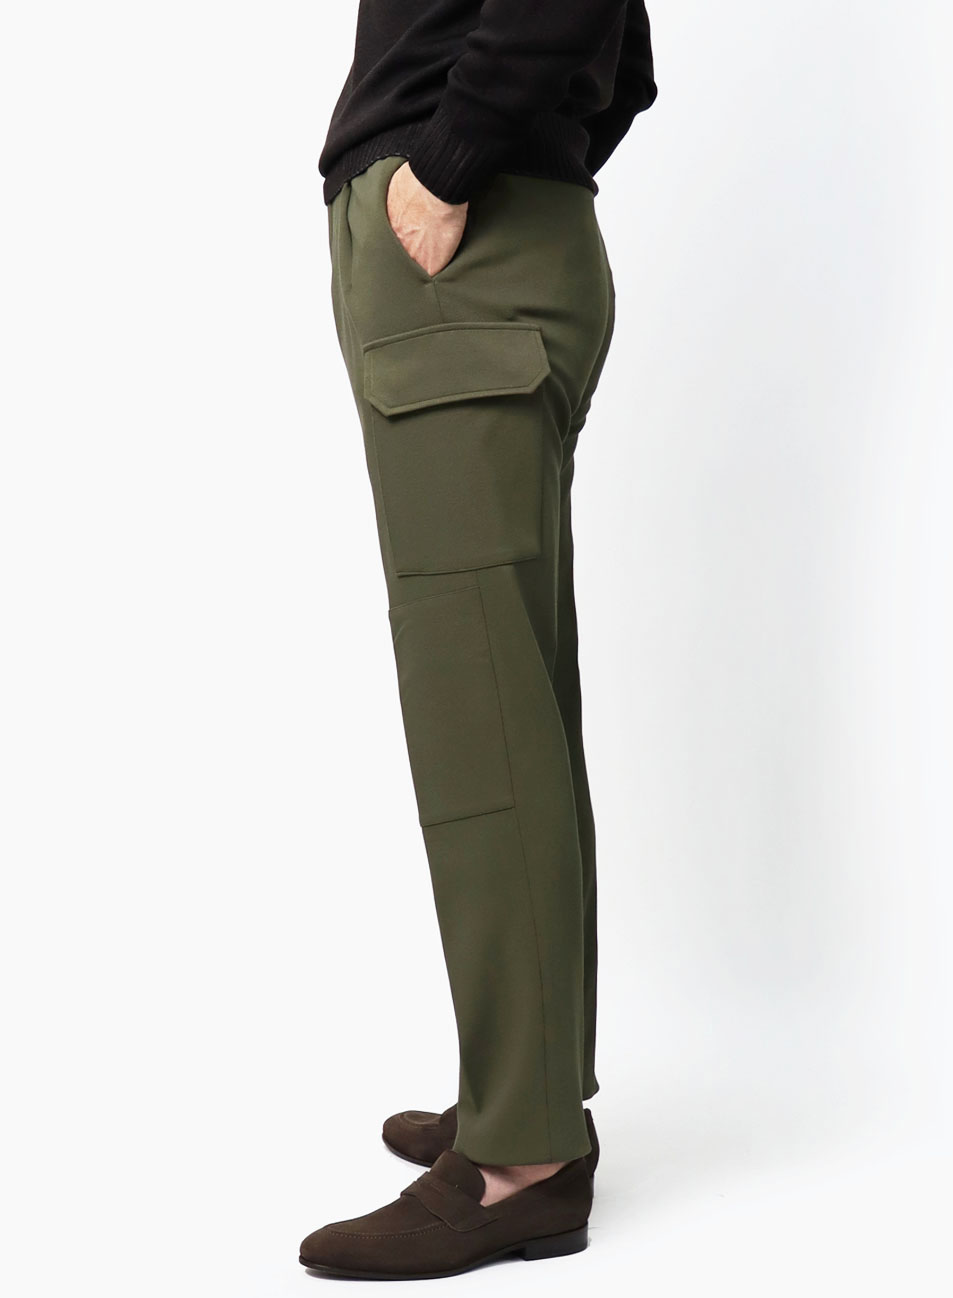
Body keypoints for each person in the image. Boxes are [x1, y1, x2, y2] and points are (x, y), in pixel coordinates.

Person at [300, 0, 657, 1280]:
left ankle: (520, 1162)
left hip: (468, 242)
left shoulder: (454, 190)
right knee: (515, 703)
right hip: (504, 236)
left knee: (479, 720)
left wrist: (449, 167)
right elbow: (625, 65)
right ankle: (527, 1093)